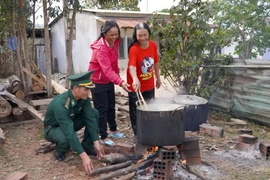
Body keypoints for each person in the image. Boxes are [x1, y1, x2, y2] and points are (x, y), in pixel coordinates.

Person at [44, 71, 104, 175]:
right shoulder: (61, 103)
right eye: (86, 89)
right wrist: (83, 156)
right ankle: (59, 151)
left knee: (94, 113)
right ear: (75, 88)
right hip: (52, 129)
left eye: (89, 89)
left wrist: (96, 141)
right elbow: (69, 131)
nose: (88, 92)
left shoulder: (83, 98)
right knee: (65, 139)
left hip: (69, 123)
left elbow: (90, 118)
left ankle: (87, 146)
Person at [88, 19, 130, 147]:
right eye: (111, 35)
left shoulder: (115, 43)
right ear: (104, 33)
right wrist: (120, 82)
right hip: (97, 81)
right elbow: (106, 69)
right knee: (101, 109)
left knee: (111, 105)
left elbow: (113, 63)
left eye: (116, 34)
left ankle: (113, 130)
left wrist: (117, 74)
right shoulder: (100, 48)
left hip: (108, 80)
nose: (114, 37)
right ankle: (103, 136)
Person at [127, 22, 161, 141]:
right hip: (136, 85)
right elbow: (132, 66)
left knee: (149, 108)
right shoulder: (134, 49)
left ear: (149, 34)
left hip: (149, 83)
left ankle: (148, 131)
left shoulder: (153, 45)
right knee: (136, 111)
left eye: (144, 35)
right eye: (139, 35)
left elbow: (156, 61)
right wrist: (135, 79)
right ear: (136, 36)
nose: (142, 38)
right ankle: (137, 135)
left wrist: (158, 76)